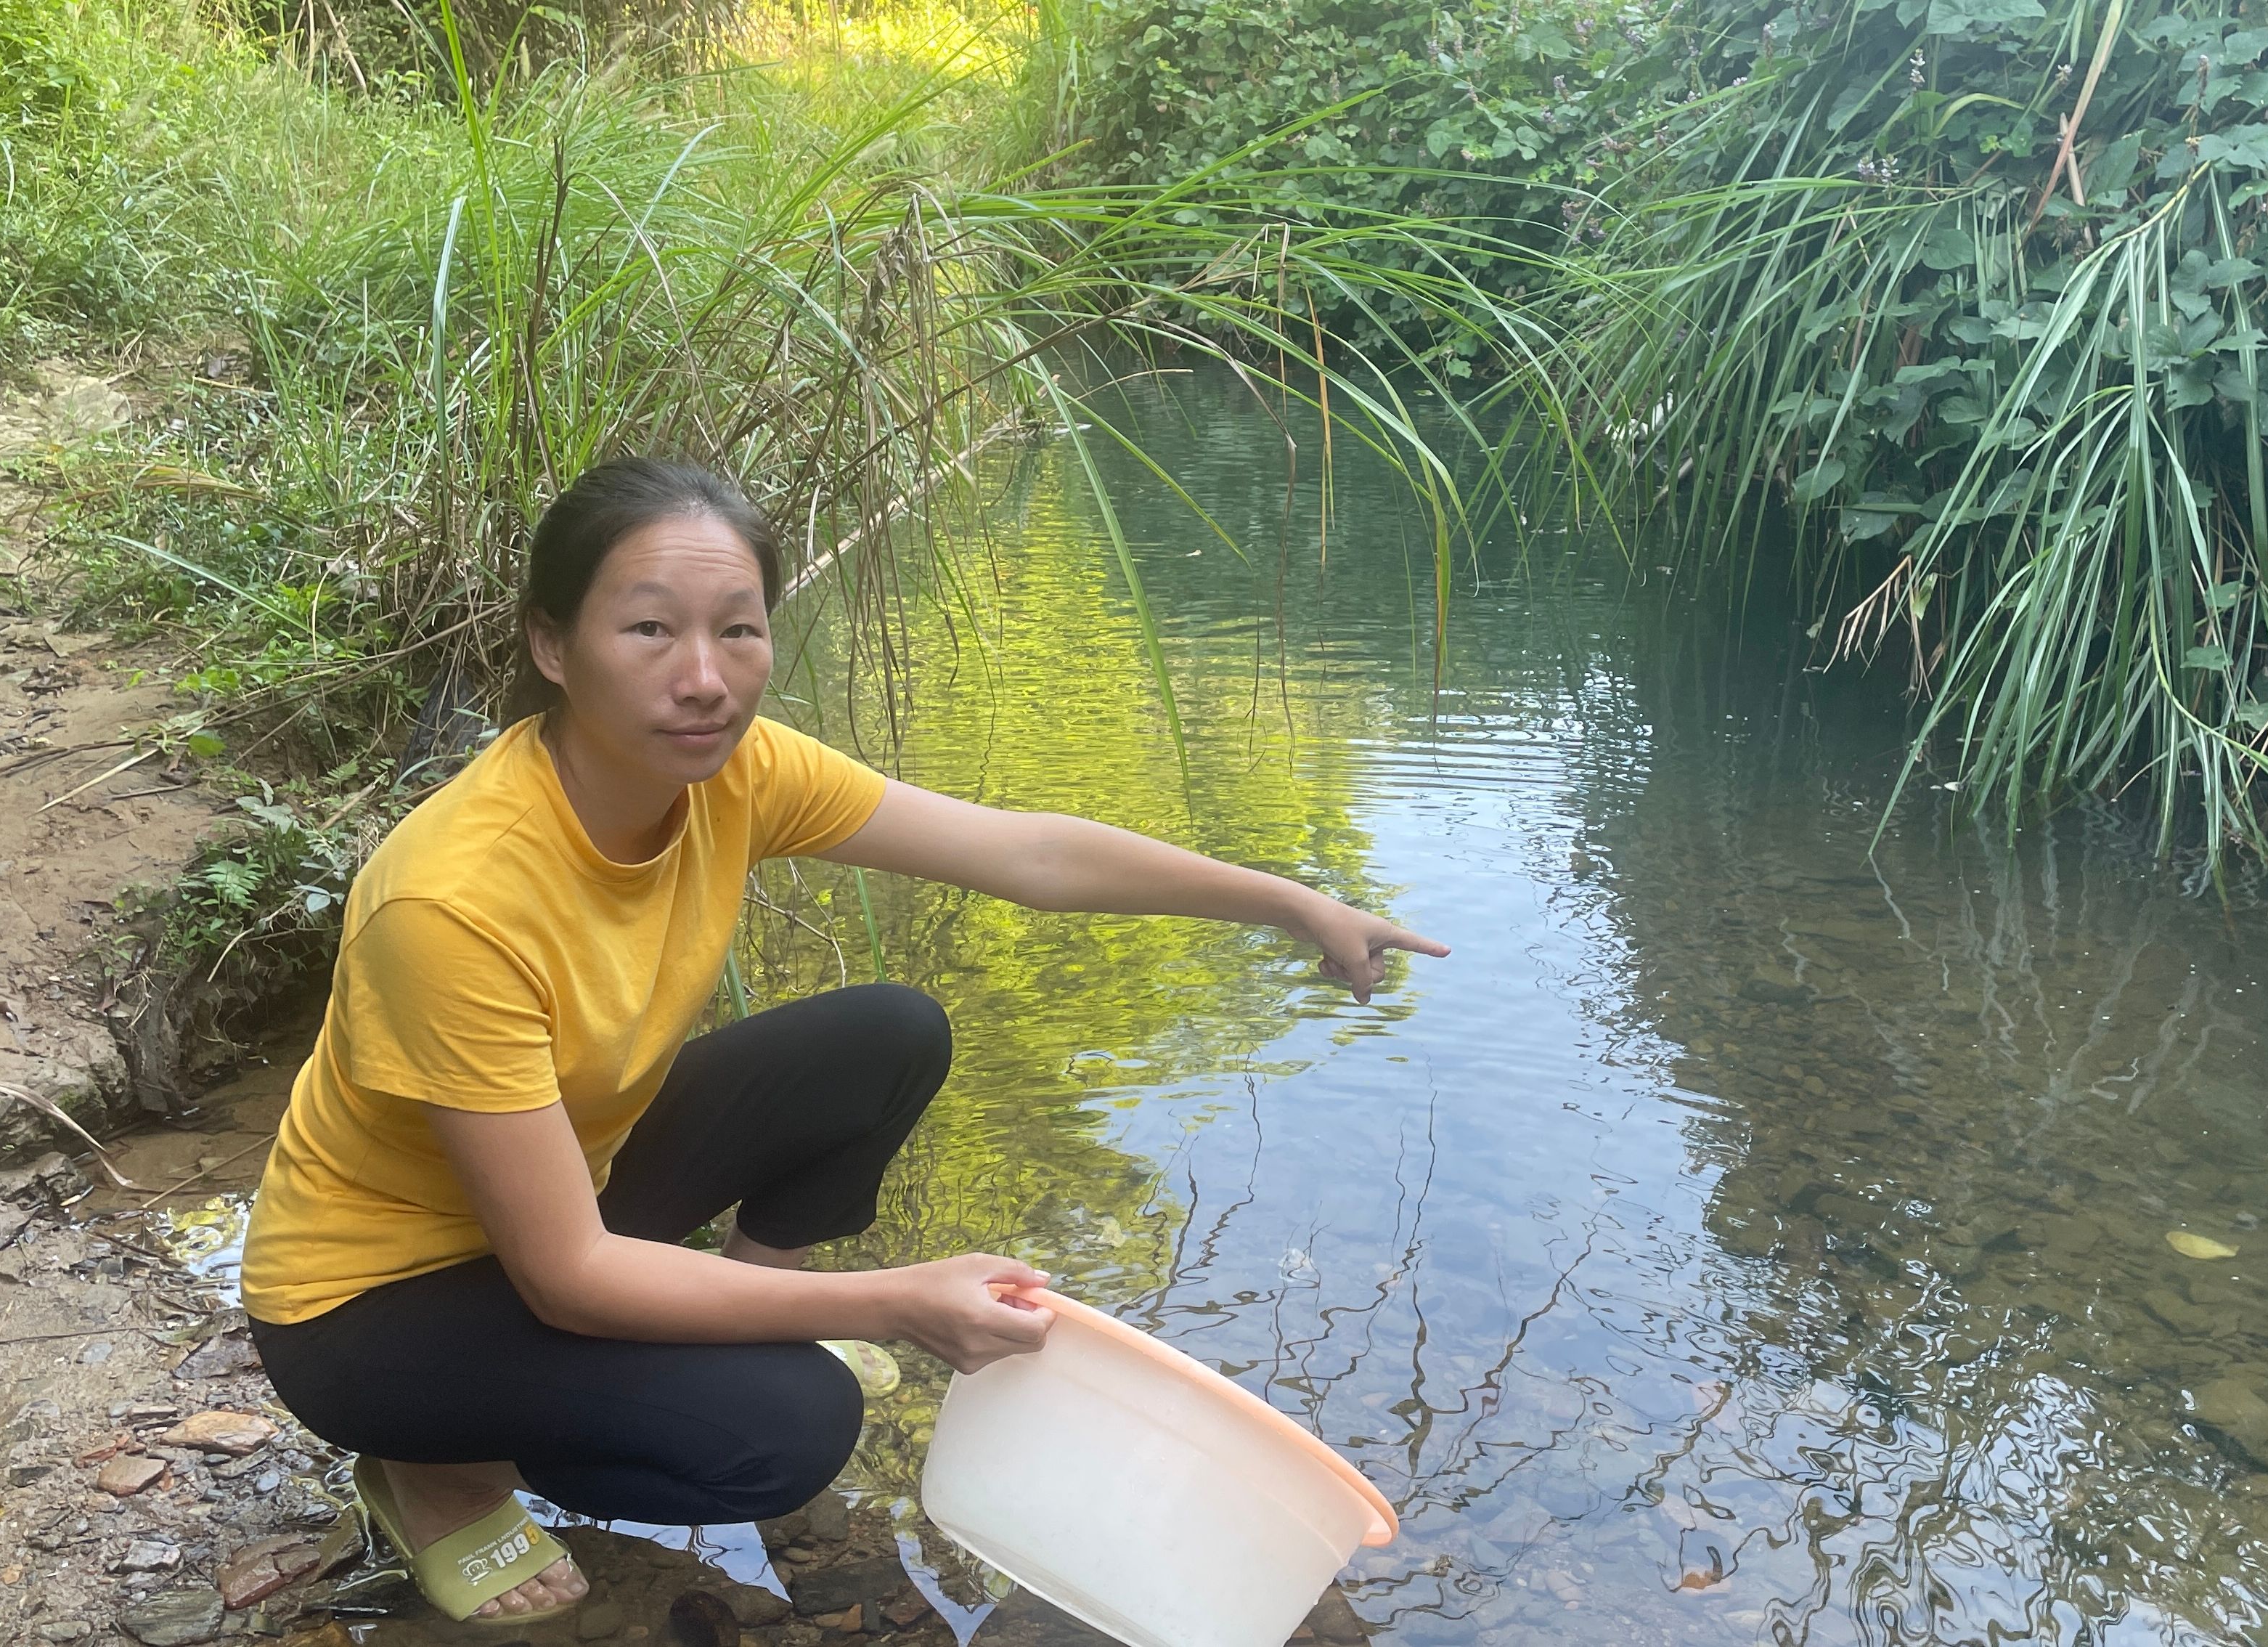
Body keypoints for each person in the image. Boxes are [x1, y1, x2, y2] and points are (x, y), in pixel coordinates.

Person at [240, 458, 1448, 1624]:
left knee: (887, 1034)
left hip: (566, 1187)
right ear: (552, 645)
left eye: (740, 630)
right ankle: (436, 1468)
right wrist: (897, 1303)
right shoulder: (453, 899)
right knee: (792, 1426)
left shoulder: (736, 774)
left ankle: (741, 1310)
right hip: (373, 1307)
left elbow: (1023, 853)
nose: (706, 678)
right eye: (650, 631)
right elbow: (568, 1275)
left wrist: (1291, 900)